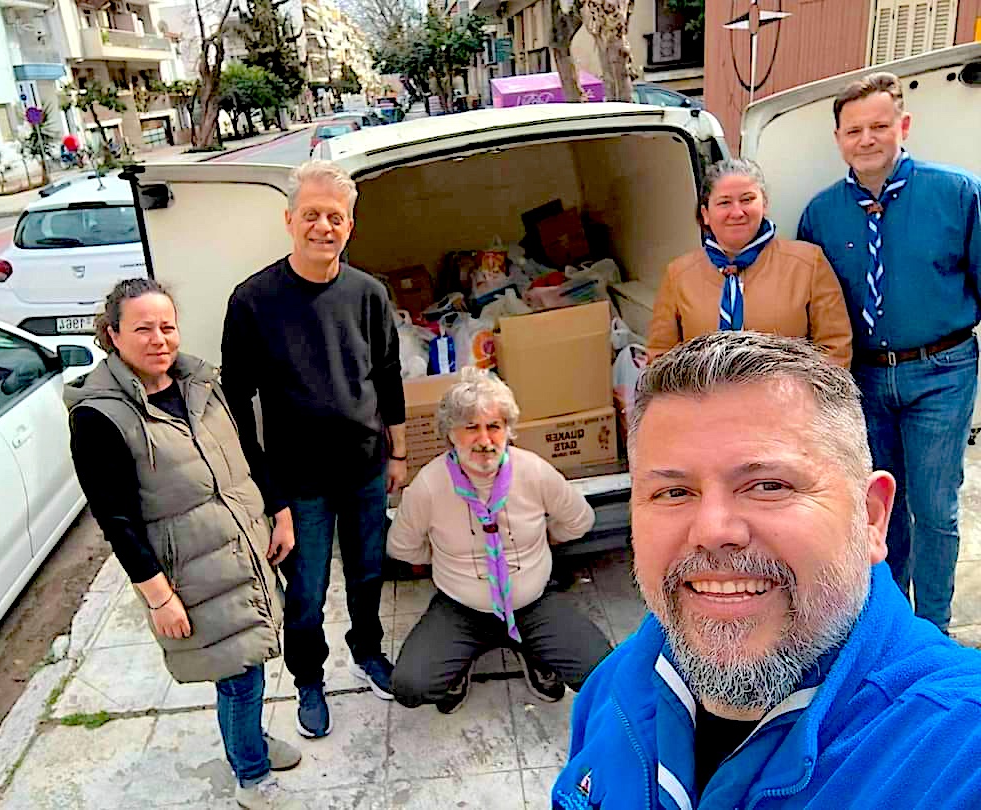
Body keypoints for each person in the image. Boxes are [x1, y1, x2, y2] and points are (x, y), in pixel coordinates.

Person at [552, 332, 981, 810]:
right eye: (673, 493)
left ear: (872, 517)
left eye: (769, 485)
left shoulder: (959, 748)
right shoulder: (611, 689)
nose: (712, 530)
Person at [66, 279, 303, 810]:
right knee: (239, 675)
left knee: (250, 659)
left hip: (244, 551)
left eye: (167, 326)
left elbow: (248, 449)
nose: (159, 339)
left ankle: (250, 741)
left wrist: (279, 510)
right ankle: (251, 776)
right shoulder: (99, 415)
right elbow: (117, 519)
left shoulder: (201, 382)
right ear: (112, 335)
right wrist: (159, 598)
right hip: (190, 573)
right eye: (142, 329)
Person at [221, 160, 406, 740]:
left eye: (335, 217)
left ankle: (368, 651)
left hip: (366, 469)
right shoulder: (253, 301)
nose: (323, 226)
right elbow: (236, 401)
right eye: (311, 214)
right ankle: (308, 679)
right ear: (288, 220)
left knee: (368, 573)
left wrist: (398, 454)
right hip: (297, 482)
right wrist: (265, 490)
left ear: (350, 225)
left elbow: (389, 375)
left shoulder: (368, 294)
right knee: (305, 591)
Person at [798, 71, 981, 633]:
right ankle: (891, 623)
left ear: (903, 125)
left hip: (941, 370)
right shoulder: (821, 214)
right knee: (878, 505)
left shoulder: (957, 193)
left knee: (933, 507)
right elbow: (813, 304)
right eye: (854, 130)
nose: (867, 139)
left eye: (879, 126)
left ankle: (933, 627)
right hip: (864, 380)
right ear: (838, 139)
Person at [388, 368, 612, 714]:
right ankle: (460, 660)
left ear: (508, 430)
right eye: (470, 427)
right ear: (450, 433)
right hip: (462, 609)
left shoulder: (534, 471)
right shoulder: (429, 485)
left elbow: (580, 519)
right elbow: (401, 546)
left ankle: (533, 649)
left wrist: (545, 540)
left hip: (532, 603)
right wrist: (446, 560)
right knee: (410, 685)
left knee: (603, 673)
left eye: (494, 426)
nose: (484, 440)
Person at [648, 158, 852, 366]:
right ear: (705, 214)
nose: (737, 212)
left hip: (787, 387)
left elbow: (835, 347)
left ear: (764, 205)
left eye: (747, 200)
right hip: (704, 388)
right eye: (724, 202)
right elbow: (661, 358)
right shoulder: (679, 275)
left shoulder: (808, 264)